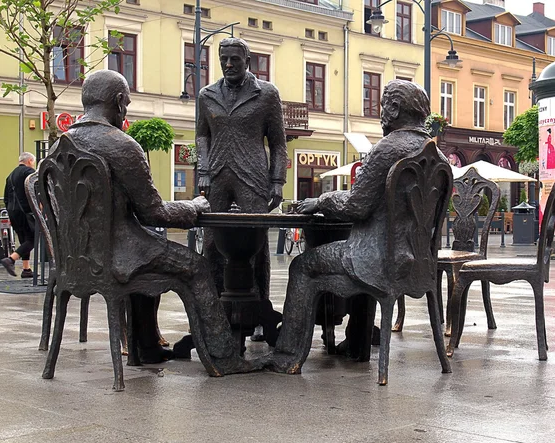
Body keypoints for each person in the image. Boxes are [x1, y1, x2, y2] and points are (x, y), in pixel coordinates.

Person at [57, 69, 262, 374]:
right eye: (125, 102)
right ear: (118, 101)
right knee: (197, 267)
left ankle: (147, 349)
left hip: (78, 259)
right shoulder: (121, 145)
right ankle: (224, 357)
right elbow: (154, 213)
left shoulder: (60, 146)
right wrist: (193, 207)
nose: (125, 109)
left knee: (149, 258)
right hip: (120, 256)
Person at [269, 80, 441, 372]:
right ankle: (358, 344)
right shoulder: (436, 155)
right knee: (360, 257)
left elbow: (355, 206)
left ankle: (287, 355)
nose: (380, 113)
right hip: (418, 262)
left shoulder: (388, 148)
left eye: (383, 106)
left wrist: (322, 201)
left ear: (395, 109)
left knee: (301, 266)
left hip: (377, 261)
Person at [196, 37, 287, 345]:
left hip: (253, 175)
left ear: (248, 61)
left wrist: (277, 181)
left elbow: (278, 143)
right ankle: (213, 312)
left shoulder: (266, 94)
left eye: (235, 59)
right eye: (224, 60)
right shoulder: (207, 95)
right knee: (211, 246)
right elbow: (201, 137)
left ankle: (260, 313)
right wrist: (204, 170)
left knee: (257, 246)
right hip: (218, 175)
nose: (229, 65)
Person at [1, 152, 36, 278]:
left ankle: (26, 269)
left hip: (12, 211)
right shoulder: (29, 172)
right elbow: (36, 189)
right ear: (30, 161)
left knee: (23, 238)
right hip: (25, 211)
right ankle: (10, 259)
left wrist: (10, 212)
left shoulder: (10, 176)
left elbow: (6, 197)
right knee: (33, 238)